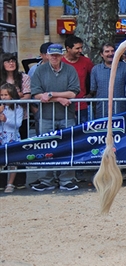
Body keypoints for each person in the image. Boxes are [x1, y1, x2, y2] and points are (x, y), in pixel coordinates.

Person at [29, 44, 81, 191]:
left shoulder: (70, 70)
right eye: (52, 55)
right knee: (45, 147)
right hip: (46, 116)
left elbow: (73, 93)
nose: (54, 57)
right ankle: (46, 180)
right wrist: (59, 98)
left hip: (67, 116)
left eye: (57, 55)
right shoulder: (40, 70)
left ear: (61, 55)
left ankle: (67, 179)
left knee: (68, 147)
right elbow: (37, 94)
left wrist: (51, 94)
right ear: (47, 55)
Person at [89, 43, 126, 118]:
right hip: (102, 112)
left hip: (122, 111)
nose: (110, 54)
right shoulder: (96, 70)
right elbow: (93, 90)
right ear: (102, 54)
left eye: (112, 51)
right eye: (107, 51)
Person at [62, 36, 95, 123]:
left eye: (81, 48)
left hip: (81, 105)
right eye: (77, 48)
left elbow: (94, 77)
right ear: (68, 48)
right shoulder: (60, 62)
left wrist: (91, 93)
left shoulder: (86, 61)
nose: (80, 51)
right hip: (63, 105)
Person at [0, 83, 24, 193]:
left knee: (13, 161)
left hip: (12, 135)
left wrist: (6, 120)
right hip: (1, 136)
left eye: (6, 95)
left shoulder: (17, 108)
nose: (3, 97)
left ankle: (10, 183)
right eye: (1, 95)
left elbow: (18, 124)